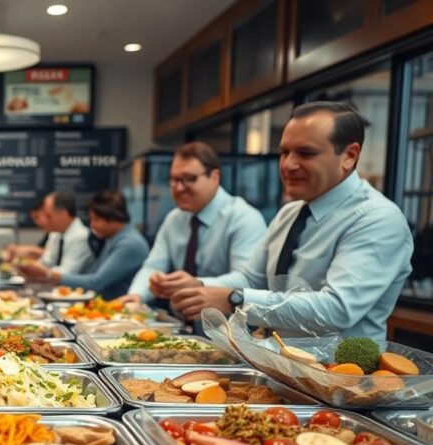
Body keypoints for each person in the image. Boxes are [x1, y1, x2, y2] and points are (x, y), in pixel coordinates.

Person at [170, 102, 413, 339]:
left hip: (341, 374)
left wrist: (236, 299)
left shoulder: (377, 218)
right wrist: (199, 286)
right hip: (277, 365)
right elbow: (251, 278)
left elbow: (337, 309)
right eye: (284, 152)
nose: (288, 164)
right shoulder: (291, 212)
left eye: (306, 153)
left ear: (349, 156)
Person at [121, 142, 267, 309]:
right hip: (182, 325)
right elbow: (153, 266)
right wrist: (137, 294)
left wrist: (198, 284)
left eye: (189, 179)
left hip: (229, 329)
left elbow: (247, 281)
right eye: (174, 180)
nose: (179, 188)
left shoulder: (244, 218)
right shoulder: (175, 218)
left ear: (214, 177)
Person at [18, 191, 149, 299]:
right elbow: (91, 273)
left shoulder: (130, 243)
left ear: (112, 217)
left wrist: (48, 274)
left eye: (96, 220)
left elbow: (97, 282)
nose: (92, 225)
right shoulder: (112, 238)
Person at [35, 191, 93, 274]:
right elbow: (47, 262)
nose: (45, 220)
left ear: (63, 214)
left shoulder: (81, 236)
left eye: (49, 216)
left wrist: (39, 271)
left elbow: (66, 274)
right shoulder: (55, 234)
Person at [4, 197, 52, 262]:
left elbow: (46, 254)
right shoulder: (50, 233)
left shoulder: (58, 232)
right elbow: (39, 250)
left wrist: (19, 250)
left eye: (37, 217)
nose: (36, 222)